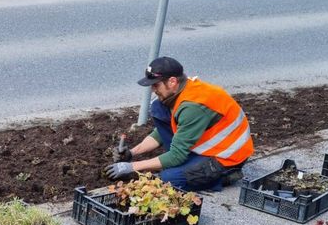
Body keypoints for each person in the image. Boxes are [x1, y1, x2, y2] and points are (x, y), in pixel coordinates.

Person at [105, 56, 254, 192]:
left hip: (226, 156)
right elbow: (163, 131)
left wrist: (131, 167)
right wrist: (132, 152)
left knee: (168, 179)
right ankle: (188, 164)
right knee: (158, 107)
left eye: (156, 85)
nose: (153, 90)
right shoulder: (179, 91)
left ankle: (224, 177)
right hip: (205, 145)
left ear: (172, 82)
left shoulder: (192, 106)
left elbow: (177, 156)